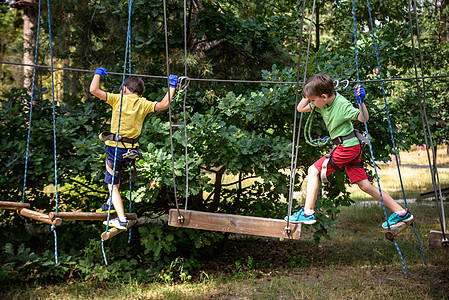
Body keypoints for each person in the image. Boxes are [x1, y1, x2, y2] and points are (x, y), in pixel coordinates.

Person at [286, 73, 413, 228]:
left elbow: (363, 118)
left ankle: (307, 212)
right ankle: (401, 212)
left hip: (347, 147)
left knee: (313, 170)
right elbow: (300, 108)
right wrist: (308, 93)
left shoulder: (342, 105)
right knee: (365, 185)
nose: (311, 103)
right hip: (350, 147)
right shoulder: (322, 104)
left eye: (312, 100)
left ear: (324, 96)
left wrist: (361, 103)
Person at [90, 67, 178, 229]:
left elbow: (93, 90)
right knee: (114, 178)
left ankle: (121, 219)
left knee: (111, 184)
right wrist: (172, 86)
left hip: (115, 148)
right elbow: (164, 104)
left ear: (124, 89)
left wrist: (97, 74)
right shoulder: (143, 103)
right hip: (131, 151)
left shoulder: (118, 99)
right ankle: (111, 202)